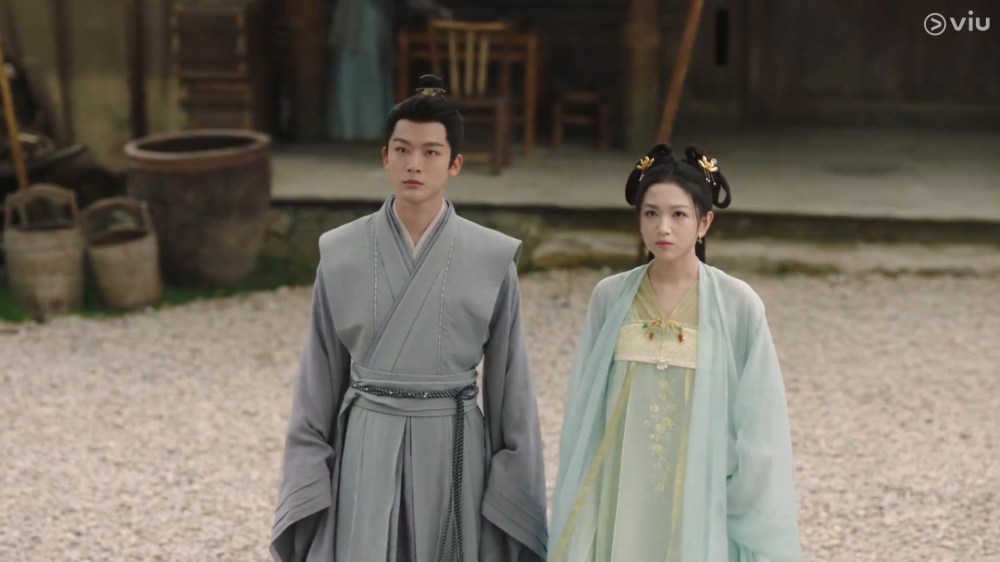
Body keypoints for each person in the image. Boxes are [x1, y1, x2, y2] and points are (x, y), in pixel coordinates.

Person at [271, 75, 547, 562]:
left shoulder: (491, 257)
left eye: (431, 152)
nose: (414, 164)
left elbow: (512, 389)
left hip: (453, 444)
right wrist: (308, 478)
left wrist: (515, 492)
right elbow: (318, 380)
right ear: (385, 156)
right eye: (402, 150)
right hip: (366, 440)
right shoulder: (340, 252)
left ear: (455, 163)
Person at [548, 143, 802, 561]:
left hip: (703, 484)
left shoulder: (737, 303)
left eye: (678, 215)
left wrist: (742, 495)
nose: (662, 228)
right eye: (651, 213)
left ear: (705, 223)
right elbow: (586, 406)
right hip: (620, 482)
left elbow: (759, 417)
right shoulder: (610, 297)